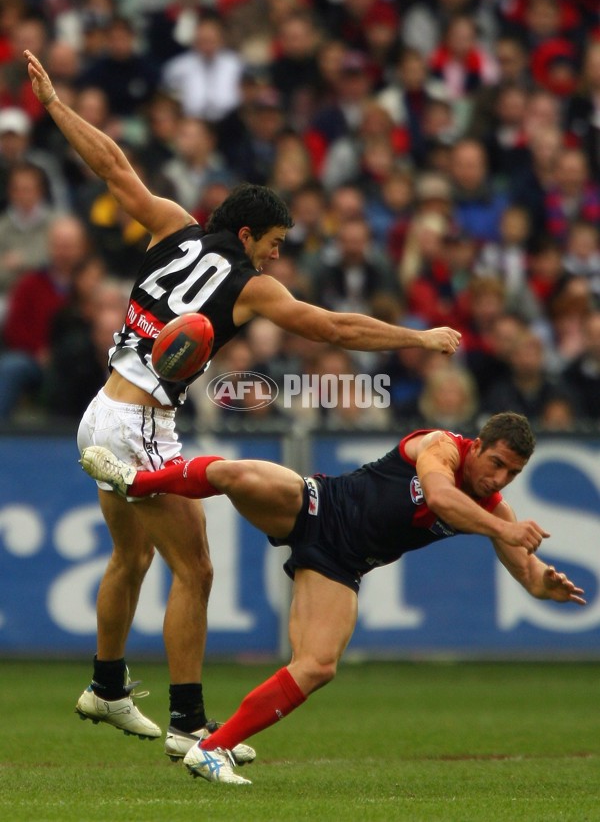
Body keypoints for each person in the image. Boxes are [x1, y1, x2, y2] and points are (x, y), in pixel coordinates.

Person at [24, 50, 461, 760]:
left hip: (101, 408)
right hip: (139, 423)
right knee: (195, 570)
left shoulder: (172, 224)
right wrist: (418, 335)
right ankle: (190, 723)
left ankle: (106, 686)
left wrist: (54, 104)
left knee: (129, 559)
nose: (277, 260)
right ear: (250, 235)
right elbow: (332, 328)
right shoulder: (249, 284)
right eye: (276, 245)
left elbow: (111, 165)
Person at [80, 411, 586, 785]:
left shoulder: (494, 508)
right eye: (496, 463)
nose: (498, 479)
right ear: (478, 446)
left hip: (340, 565)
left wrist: (544, 584)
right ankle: (133, 478)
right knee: (236, 476)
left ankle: (210, 748)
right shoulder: (442, 447)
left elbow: (527, 573)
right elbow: (439, 496)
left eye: (511, 475)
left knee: (318, 665)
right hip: (318, 505)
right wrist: (507, 530)